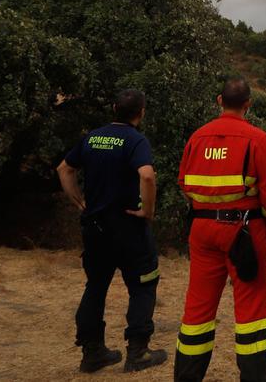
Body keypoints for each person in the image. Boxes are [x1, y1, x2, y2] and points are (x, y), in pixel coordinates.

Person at [175, 77, 266, 382]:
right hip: (244, 231)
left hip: (201, 229)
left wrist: (206, 208)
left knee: (197, 308)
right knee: (252, 309)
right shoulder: (257, 139)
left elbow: (184, 182)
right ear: (248, 104)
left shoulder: (197, 137)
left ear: (219, 100)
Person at [57, 88, 167, 373]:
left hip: (95, 227)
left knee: (95, 286)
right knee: (143, 286)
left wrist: (78, 200)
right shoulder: (135, 140)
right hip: (129, 227)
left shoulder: (92, 137)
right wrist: (149, 211)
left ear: (114, 109)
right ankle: (138, 353)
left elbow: (64, 169)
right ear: (140, 112)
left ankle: (92, 353)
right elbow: (147, 175)